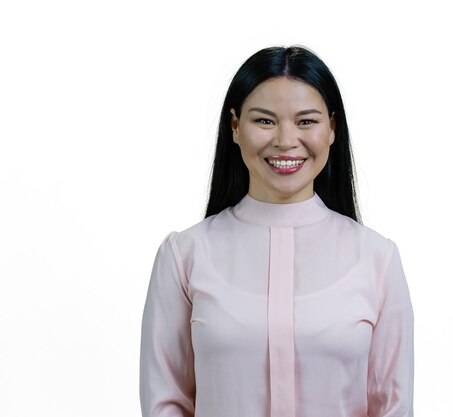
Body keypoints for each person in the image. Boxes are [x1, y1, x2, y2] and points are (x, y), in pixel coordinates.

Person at [139, 45, 414, 417]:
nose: (286, 140)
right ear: (235, 126)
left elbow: (393, 407)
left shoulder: (376, 257)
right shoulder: (185, 255)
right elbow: (165, 404)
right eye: (265, 121)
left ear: (332, 128)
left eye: (306, 121)